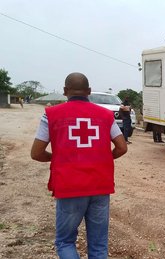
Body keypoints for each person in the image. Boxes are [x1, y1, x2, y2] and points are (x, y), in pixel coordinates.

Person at [30, 72, 127, 259]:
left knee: (65, 242)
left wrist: (58, 158)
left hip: (69, 186)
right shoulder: (106, 115)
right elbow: (122, 148)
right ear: (89, 91)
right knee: (98, 245)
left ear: (65, 91)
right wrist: (101, 158)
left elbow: (36, 153)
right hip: (100, 185)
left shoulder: (50, 115)